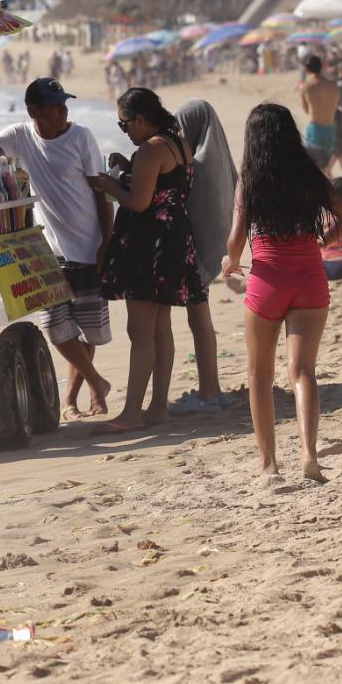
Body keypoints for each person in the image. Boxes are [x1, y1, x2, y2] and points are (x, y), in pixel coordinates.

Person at [220, 103, 342, 483]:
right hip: (310, 280)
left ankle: (268, 464)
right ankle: (310, 455)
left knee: (260, 377)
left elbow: (235, 242)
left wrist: (229, 263)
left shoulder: (249, 181)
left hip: (267, 282)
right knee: (303, 371)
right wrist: (323, 242)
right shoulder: (309, 174)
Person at [0, 78, 115, 420]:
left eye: (64, 104)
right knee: (56, 327)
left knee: (87, 330)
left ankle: (77, 400)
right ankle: (95, 384)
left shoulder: (81, 137)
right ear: (34, 112)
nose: (63, 111)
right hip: (47, 251)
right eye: (55, 106)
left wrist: (108, 241)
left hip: (89, 246)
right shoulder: (21, 136)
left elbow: (101, 191)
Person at [88, 88, 207, 431]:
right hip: (172, 240)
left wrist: (107, 186)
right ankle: (157, 408)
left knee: (140, 330)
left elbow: (139, 202)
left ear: (141, 119)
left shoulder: (151, 149)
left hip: (150, 245)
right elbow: (162, 185)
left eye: (125, 125)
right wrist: (129, 168)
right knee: (160, 327)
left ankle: (131, 413)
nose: (126, 131)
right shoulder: (177, 143)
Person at [170, 98, 240, 415]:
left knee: (198, 321)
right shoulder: (222, 161)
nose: (178, 134)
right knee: (202, 321)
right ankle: (212, 387)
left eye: (180, 128)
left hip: (194, 254)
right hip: (213, 250)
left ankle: (209, 392)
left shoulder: (196, 165)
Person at [298, 55, 338, 170]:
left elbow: (306, 110)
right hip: (331, 128)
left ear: (306, 69)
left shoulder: (306, 87)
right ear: (321, 67)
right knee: (325, 166)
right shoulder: (333, 85)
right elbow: (334, 105)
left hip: (315, 129)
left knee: (313, 167)